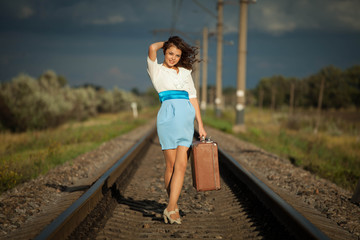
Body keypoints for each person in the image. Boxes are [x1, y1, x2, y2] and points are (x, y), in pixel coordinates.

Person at [147, 36, 207, 224]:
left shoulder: (185, 71)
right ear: (165, 51)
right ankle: (172, 207)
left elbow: (193, 98)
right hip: (167, 119)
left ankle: (171, 207)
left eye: (177, 55)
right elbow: (151, 47)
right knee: (171, 166)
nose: (173, 57)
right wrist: (168, 43)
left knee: (182, 165)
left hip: (186, 120)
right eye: (170, 53)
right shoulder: (155, 70)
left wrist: (201, 125)